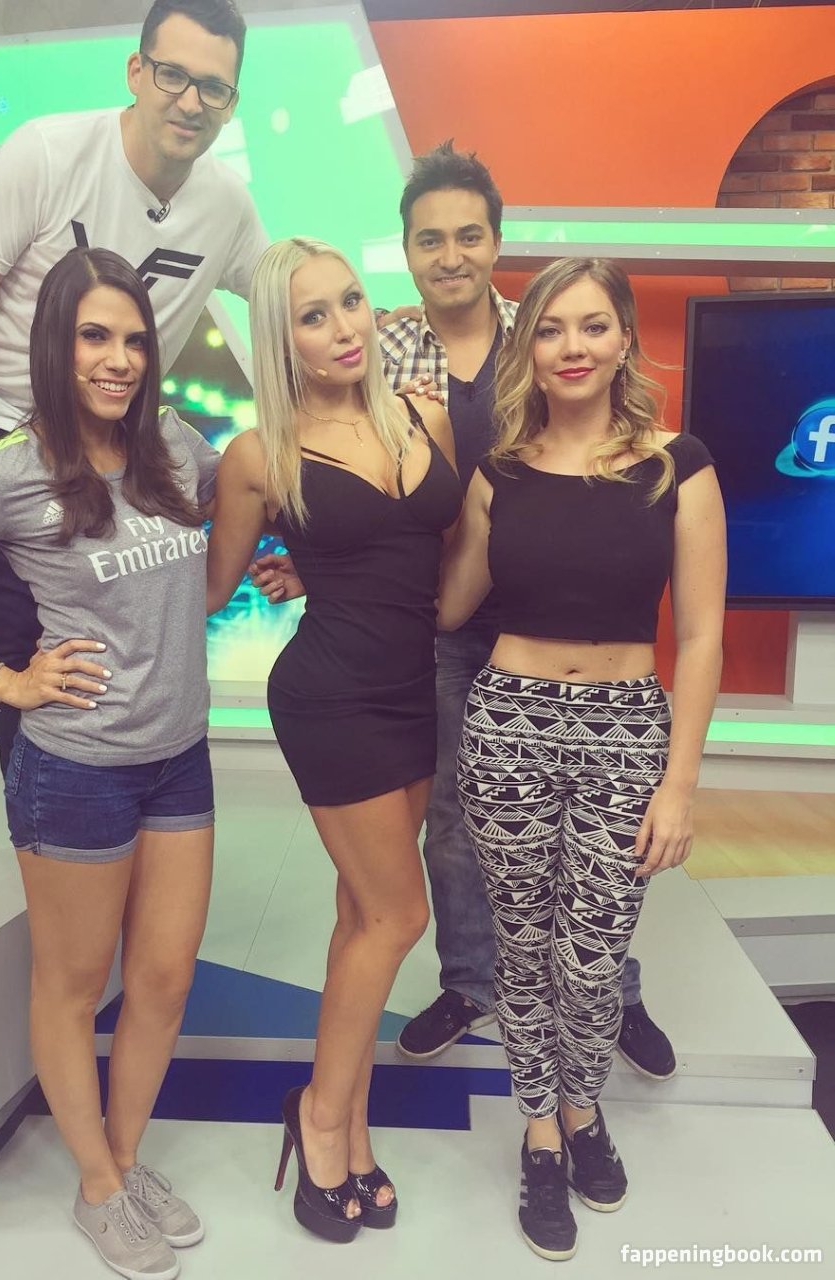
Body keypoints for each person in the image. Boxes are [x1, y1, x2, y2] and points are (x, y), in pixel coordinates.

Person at [255, 142, 678, 1082]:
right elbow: (364, 488)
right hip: (440, 621)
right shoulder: (379, 347)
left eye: (468, 236)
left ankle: (610, 992)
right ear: (406, 250)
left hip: (551, 616)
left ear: (495, 241)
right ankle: (469, 981)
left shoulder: (546, 333)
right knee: (453, 819)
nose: (450, 256)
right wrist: (326, 569)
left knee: (586, 828)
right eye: (429, 239)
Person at [0, 248, 220, 1280]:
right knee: (72, 983)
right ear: (54, 346)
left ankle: (126, 1156)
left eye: (133, 339)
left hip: (178, 757)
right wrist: (5, 680)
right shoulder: (6, 471)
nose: (117, 359)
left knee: (162, 976)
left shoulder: (172, 446)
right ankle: (97, 1183)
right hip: (76, 768)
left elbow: (241, 505)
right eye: (94, 336)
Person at [438, 256, 726, 1261]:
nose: (570, 346)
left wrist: (679, 784)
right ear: (529, 346)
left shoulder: (677, 464)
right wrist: (321, 559)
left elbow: (700, 635)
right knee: (520, 949)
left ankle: (582, 1104)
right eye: (551, 328)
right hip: (506, 724)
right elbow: (447, 604)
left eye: (591, 325)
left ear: (622, 339)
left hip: (626, 731)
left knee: (592, 955)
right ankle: (540, 1130)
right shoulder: (498, 473)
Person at [0, 0, 268, 777]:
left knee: (122, 623)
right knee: (23, 648)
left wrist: (376, 316)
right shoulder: (49, 152)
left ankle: (138, 792)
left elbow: (283, 297)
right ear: (136, 71)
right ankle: (43, 823)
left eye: (213, 87)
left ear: (231, 102)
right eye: (173, 75)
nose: (190, 101)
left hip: (119, 434)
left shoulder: (226, 204)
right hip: (5, 427)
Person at [206, 238, 460, 1242]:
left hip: (413, 690)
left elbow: (419, 547)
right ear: (283, 341)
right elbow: (209, 586)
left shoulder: (423, 414)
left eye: (349, 302)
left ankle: (346, 1120)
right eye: (312, 316)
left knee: (361, 913)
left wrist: (321, 567)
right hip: (331, 696)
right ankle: (317, 1114)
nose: (343, 327)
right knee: (397, 916)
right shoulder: (258, 456)